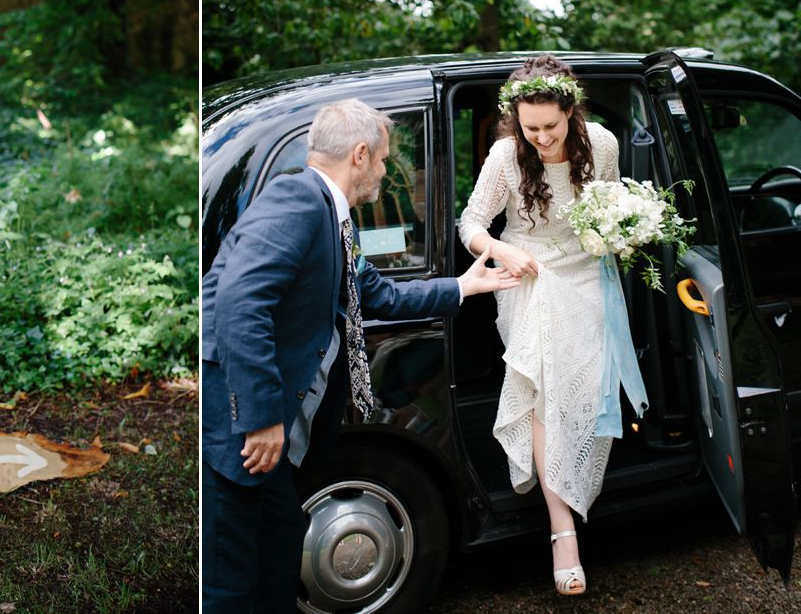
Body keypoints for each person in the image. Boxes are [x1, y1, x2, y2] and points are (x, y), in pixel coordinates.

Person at [201, 98, 520, 613]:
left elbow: (377, 295)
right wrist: (260, 418)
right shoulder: (298, 200)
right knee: (230, 582)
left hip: (269, 434)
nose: (386, 169)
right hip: (236, 428)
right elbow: (238, 303)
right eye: (384, 158)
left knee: (279, 549)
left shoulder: (333, 215)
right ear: (359, 154)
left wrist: (464, 285)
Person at [458, 54, 648, 596]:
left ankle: (575, 480)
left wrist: (621, 230)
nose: (540, 137)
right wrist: (499, 250)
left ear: (572, 112)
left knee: (584, 389)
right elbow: (470, 223)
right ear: (515, 118)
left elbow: (607, 207)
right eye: (529, 126)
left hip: (588, 275)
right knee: (544, 392)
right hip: (530, 275)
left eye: (551, 126)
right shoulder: (504, 156)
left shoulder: (604, 144)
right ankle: (562, 530)